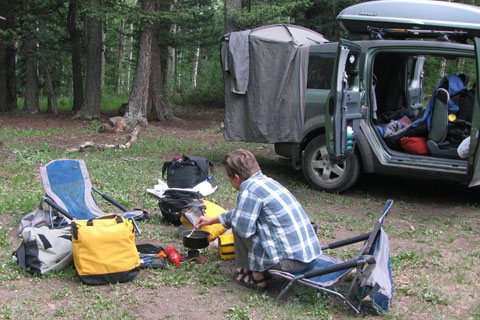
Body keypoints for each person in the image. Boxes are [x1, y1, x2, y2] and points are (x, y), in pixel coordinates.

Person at [195, 149, 321, 290]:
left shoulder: (249, 190)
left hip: (290, 263)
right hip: (307, 255)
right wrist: (212, 220)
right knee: (242, 220)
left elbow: (243, 228)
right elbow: (240, 213)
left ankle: (257, 277)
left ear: (236, 177)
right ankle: (255, 270)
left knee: (239, 226)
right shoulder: (266, 182)